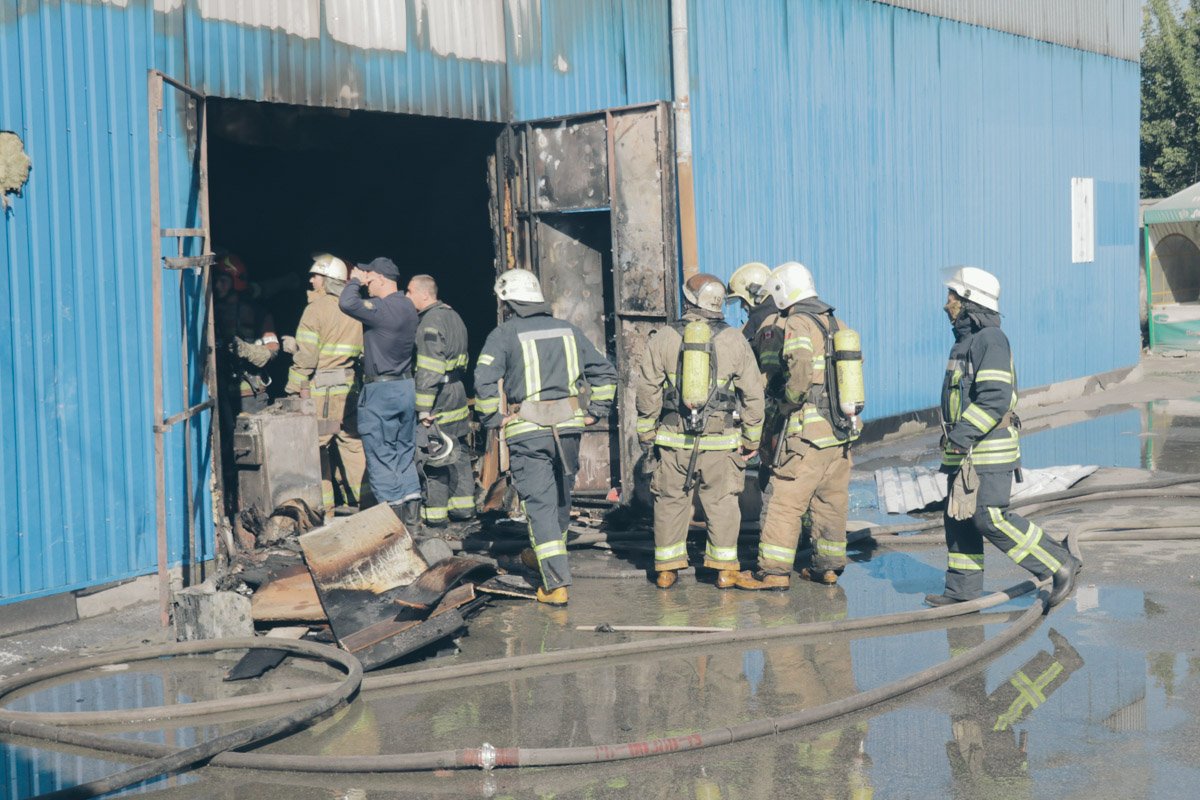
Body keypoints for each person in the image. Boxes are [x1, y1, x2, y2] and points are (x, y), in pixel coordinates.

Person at [925, 267, 1081, 608]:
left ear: (969, 301)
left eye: (953, 296)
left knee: (988, 516)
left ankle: (1059, 563)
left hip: (987, 451)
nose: (946, 302)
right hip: (965, 452)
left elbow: (995, 397)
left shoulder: (990, 341)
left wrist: (963, 435)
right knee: (958, 518)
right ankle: (961, 592)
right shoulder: (965, 342)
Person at [474, 269, 617, 605]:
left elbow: (483, 378)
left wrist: (493, 417)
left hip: (528, 431)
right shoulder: (569, 330)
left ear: (509, 301)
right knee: (561, 500)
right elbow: (605, 372)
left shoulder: (504, 333)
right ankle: (547, 557)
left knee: (539, 504)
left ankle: (555, 584)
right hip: (568, 427)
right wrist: (597, 409)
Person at [634, 273, 764, 589]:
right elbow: (753, 393)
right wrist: (752, 436)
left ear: (689, 301)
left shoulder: (663, 338)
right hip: (720, 442)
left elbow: (648, 390)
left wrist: (647, 430)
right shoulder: (735, 340)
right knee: (721, 502)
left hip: (673, 439)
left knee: (670, 500)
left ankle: (667, 570)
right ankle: (724, 570)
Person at [737, 262, 857, 590]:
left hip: (806, 435)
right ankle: (828, 567)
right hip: (839, 435)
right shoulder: (835, 322)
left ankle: (773, 572)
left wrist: (787, 398)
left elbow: (800, 370)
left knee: (785, 501)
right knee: (830, 502)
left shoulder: (799, 323)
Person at [338, 257, 422, 527]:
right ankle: (412, 515)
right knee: (403, 451)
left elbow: (347, 303)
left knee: (381, 453)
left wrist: (354, 281)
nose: (367, 285)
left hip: (381, 391)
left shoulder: (383, 308)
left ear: (383, 279)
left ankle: (392, 521)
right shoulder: (408, 306)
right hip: (406, 387)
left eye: (370, 279)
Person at [283, 254, 366, 515]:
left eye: (315, 276)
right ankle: (368, 504)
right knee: (353, 445)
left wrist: (293, 386)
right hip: (350, 389)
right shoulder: (356, 307)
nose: (310, 280)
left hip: (323, 393)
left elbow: (308, 357)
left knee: (316, 447)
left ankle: (323, 509)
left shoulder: (316, 309)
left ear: (328, 281)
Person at [405, 274, 474, 529]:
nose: (406, 296)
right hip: (456, 389)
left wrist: (423, 408)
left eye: (409, 291)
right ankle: (464, 509)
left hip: (438, 396)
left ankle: (435, 516)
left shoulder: (429, 324)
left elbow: (429, 369)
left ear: (425, 294)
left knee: (434, 453)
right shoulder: (452, 315)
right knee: (459, 450)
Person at [726, 261, 777, 342]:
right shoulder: (777, 310)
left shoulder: (758, 319)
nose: (741, 306)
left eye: (743, 301)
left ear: (755, 294)